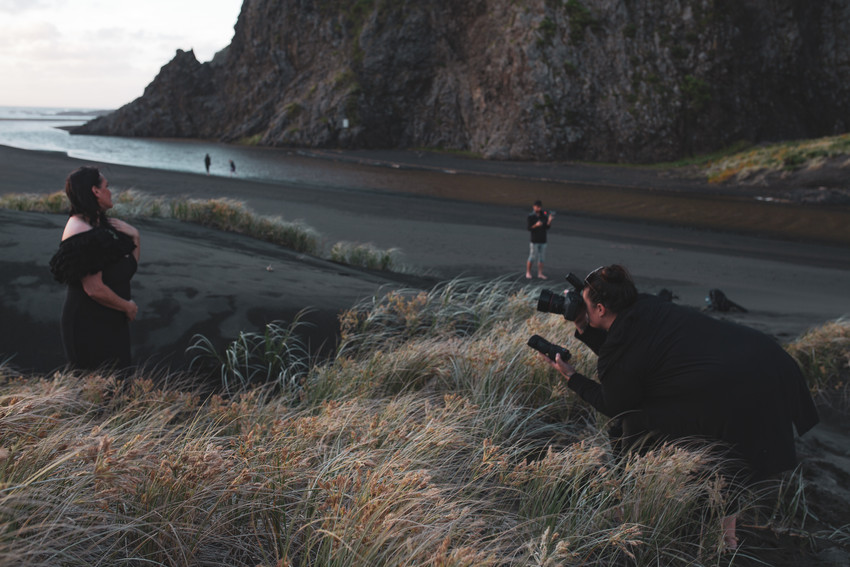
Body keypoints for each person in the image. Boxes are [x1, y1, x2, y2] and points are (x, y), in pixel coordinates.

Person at [542, 264, 818, 550]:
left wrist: (571, 376)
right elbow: (629, 362)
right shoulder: (645, 307)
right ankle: (718, 533)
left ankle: (645, 514)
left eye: (584, 306)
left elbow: (615, 403)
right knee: (730, 451)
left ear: (600, 309)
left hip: (745, 387)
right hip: (766, 362)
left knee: (640, 425)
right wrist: (583, 325)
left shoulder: (626, 335)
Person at [49, 166, 140, 370]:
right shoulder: (82, 231)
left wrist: (135, 235)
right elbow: (94, 288)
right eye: (107, 187)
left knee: (117, 388)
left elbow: (128, 268)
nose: (110, 192)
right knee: (98, 392)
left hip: (111, 320)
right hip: (88, 325)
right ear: (95, 191)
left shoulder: (101, 225)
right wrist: (128, 307)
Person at [526, 200, 553, 279]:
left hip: (543, 240)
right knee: (532, 257)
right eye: (537, 207)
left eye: (540, 207)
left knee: (542, 258)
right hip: (534, 240)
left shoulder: (543, 215)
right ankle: (528, 272)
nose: (539, 208)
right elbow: (529, 228)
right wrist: (536, 225)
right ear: (534, 207)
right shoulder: (531, 216)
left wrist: (549, 221)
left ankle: (540, 273)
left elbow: (547, 227)